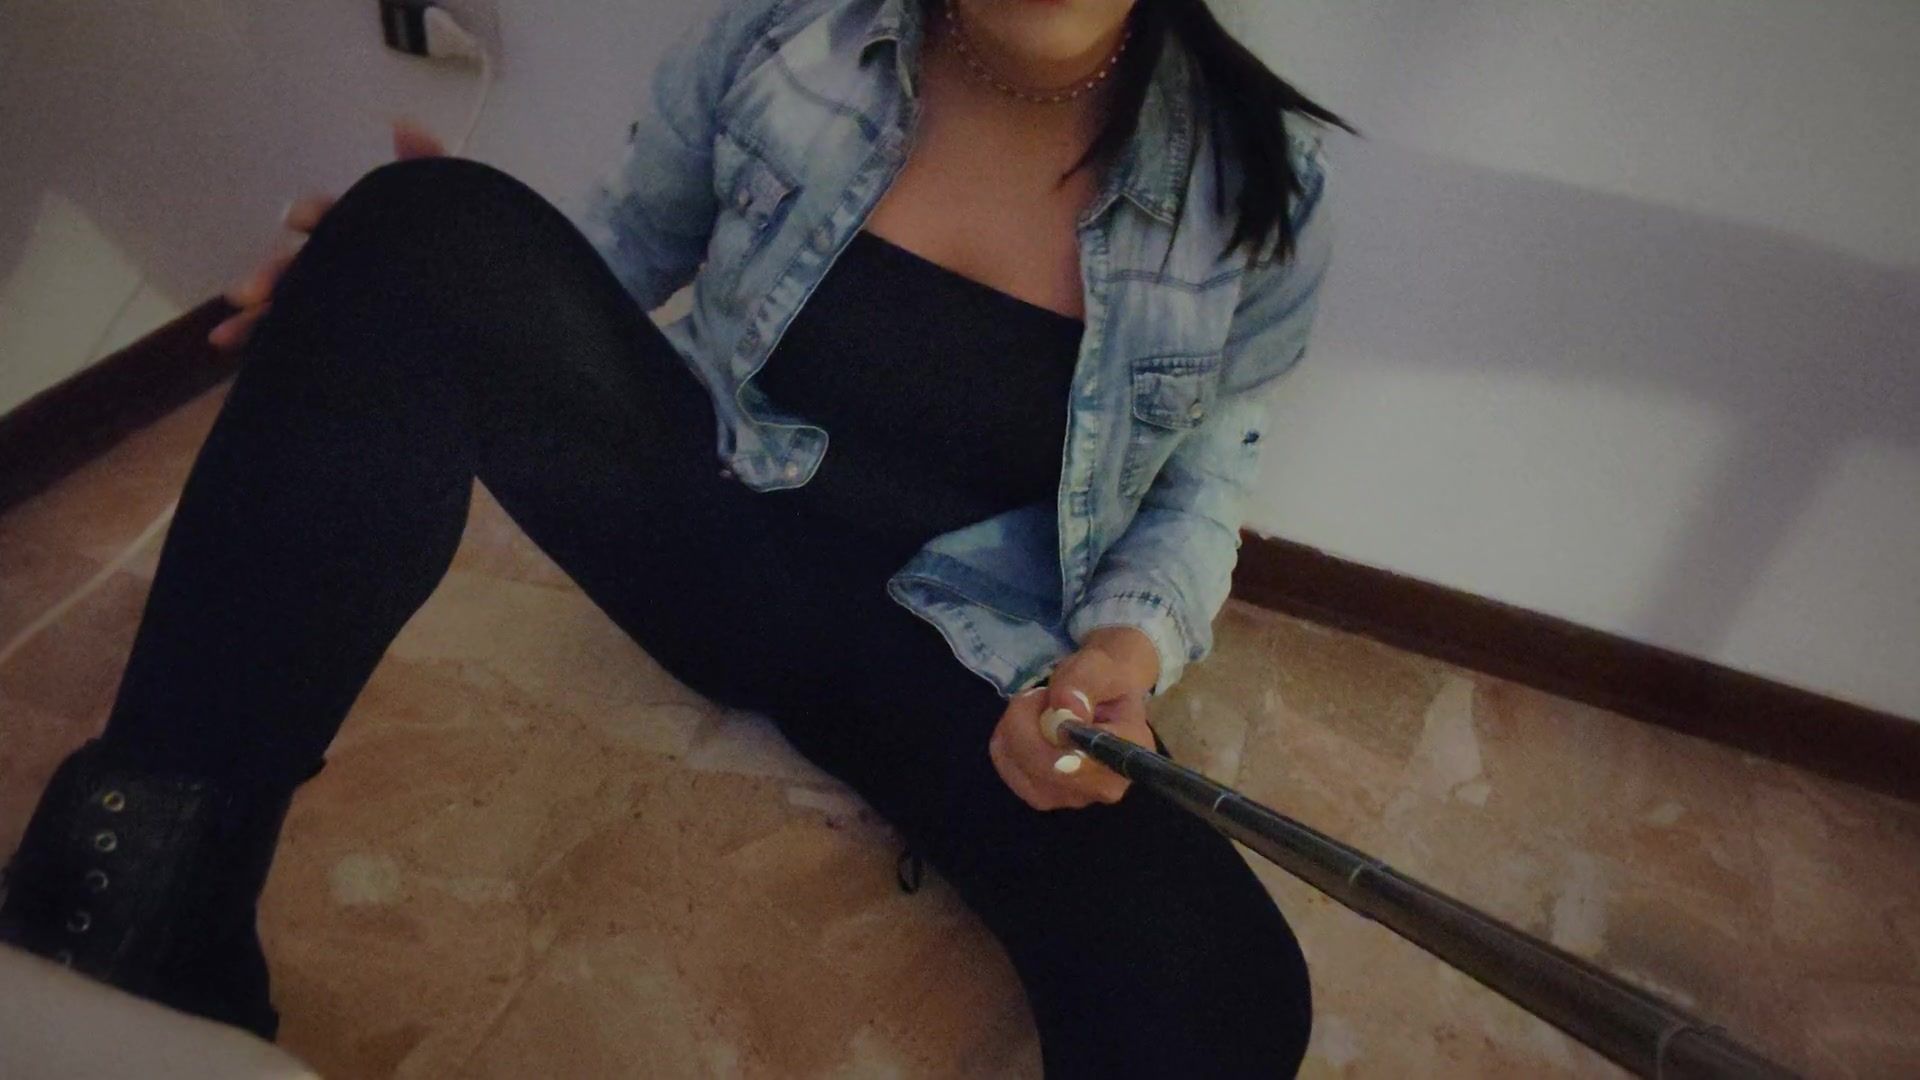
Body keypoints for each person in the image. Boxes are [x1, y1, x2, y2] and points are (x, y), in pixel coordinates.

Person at [0, 0, 1345, 1073]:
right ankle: (134, 907)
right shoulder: (789, 33)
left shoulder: (1260, 182)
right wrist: (392, 287)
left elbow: (1200, 489)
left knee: (1220, 993)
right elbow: (618, 253)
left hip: (965, 662)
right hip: (709, 527)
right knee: (418, 226)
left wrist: (1121, 653)